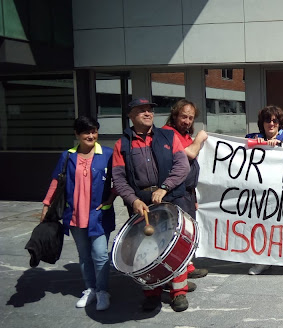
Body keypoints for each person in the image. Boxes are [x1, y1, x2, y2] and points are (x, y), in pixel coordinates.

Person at [112, 98, 193, 312]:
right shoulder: (122, 144)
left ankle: (179, 292)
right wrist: (133, 200)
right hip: (142, 206)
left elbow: (182, 166)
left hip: (170, 199)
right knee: (144, 251)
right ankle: (151, 293)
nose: (147, 114)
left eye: (149, 110)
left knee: (174, 246)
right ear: (130, 116)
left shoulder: (169, 136)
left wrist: (165, 187)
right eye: (141, 111)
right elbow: (119, 179)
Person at [41, 116, 116, 311]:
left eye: (94, 131)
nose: (91, 135)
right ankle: (90, 289)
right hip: (74, 214)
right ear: (77, 134)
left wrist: (111, 197)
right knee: (84, 256)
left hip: (99, 215)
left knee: (100, 255)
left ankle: (102, 291)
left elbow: (120, 179)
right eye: (86, 132)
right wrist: (46, 205)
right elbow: (57, 182)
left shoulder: (107, 154)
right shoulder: (67, 156)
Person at [246, 105, 283, 275]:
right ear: (261, 123)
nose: (271, 124)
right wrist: (260, 144)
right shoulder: (253, 137)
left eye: (275, 120)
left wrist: (281, 144)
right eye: (267, 120)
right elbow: (242, 147)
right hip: (263, 190)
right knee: (264, 225)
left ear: (280, 122)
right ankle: (264, 260)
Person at [162, 99, 209, 280]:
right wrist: (199, 139)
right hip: (176, 193)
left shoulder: (185, 136)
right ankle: (176, 276)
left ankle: (187, 266)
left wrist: (195, 196)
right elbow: (188, 153)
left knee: (188, 232)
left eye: (190, 118)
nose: (187, 121)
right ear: (174, 115)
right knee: (177, 234)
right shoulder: (167, 134)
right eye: (183, 117)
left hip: (188, 193)